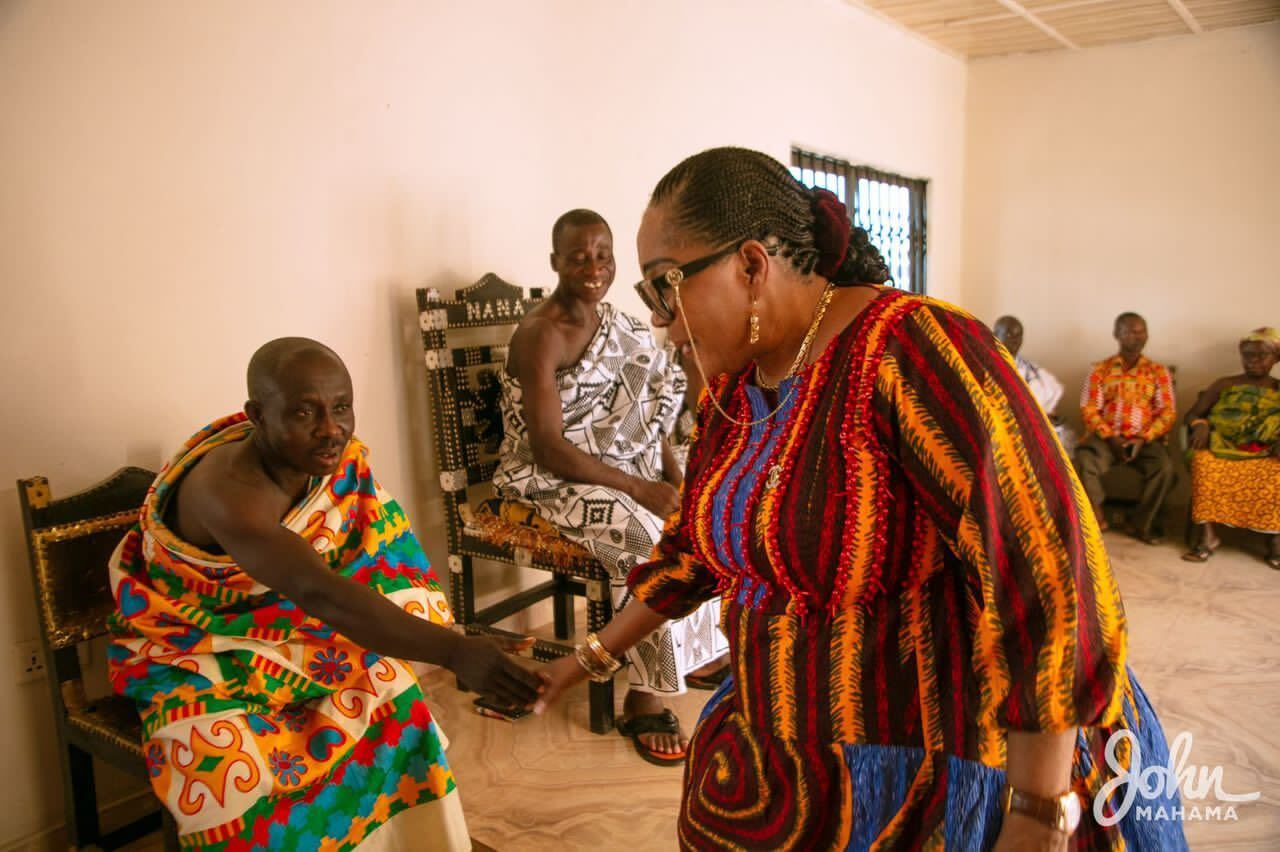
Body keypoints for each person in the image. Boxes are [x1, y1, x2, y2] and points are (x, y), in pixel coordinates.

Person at [533, 148, 1185, 850]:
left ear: (751, 264)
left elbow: (1049, 573)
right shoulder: (736, 393)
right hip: (774, 765)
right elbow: (694, 549)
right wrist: (583, 660)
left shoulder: (914, 350)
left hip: (934, 777)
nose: (662, 319)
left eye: (665, 286)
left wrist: (1037, 811)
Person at [108, 338, 542, 850]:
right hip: (197, 650)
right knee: (226, 773)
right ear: (257, 415)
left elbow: (361, 559)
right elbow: (319, 590)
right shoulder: (229, 494)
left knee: (390, 690)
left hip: (293, 633)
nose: (331, 429)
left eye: (341, 408)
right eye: (305, 412)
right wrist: (453, 651)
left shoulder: (327, 465)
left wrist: (450, 640)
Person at [493, 210, 728, 765]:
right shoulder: (539, 335)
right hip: (545, 478)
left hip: (616, 465)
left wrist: (673, 477)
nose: (593, 266)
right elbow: (548, 447)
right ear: (555, 263)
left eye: (603, 254)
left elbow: (646, 419)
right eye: (578, 256)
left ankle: (698, 650)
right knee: (648, 538)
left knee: (709, 502)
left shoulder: (620, 326)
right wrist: (639, 490)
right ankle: (644, 698)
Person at [1181, 327, 1280, 568]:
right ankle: (1208, 537)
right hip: (1221, 446)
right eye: (1247, 355)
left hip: (1265, 450)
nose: (1253, 361)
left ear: (1276, 358)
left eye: (1261, 356)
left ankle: (1275, 540)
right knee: (1205, 464)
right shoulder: (1224, 384)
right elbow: (1192, 414)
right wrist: (1200, 424)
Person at [1075, 313, 1177, 543]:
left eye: (1140, 331)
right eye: (1129, 331)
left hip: (1145, 441)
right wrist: (1111, 439)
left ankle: (1140, 523)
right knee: (1083, 461)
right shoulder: (1100, 369)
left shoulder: (1158, 372)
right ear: (1117, 335)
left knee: (1165, 469)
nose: (1136, 336)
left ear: (1147, 334)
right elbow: (1089, 409)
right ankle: (1097, 515)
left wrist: (1143, 438)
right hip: (1106, 439)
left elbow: (1167, 412)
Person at [993, 315, 1077, 456]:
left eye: (1018, 335)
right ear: (995, 335)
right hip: (1000, 425)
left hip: (1033, 425)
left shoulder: (1033, 371)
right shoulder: (983, 365)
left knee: (1063, 438)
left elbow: (1050, 405)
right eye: (1008, 334)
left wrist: (1049, 416)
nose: (1014, 340)